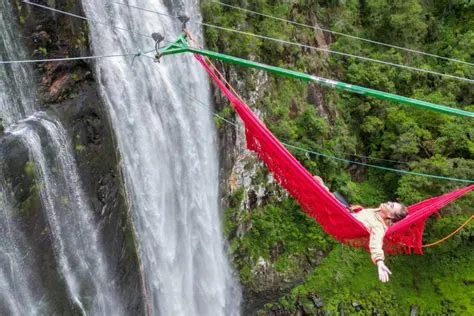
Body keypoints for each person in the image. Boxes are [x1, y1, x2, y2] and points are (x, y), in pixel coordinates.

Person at [313, 176, 408, 283]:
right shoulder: (378, 211)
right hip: (345, 214)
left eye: (391, 206)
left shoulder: (379, 227)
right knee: (317, 181)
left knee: (317, 186)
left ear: (390, 215)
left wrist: (380, 262)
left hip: (341, 222)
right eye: (392, 202)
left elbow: (376, 244)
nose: (389, 202)